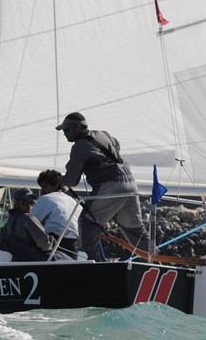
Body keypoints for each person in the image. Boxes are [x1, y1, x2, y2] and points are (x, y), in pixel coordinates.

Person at [55, 111, 150, 261]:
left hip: (110, 185)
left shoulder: (79, 146)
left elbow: (72, 180)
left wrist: (61, 181)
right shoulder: (103, 134)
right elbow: (116, 144)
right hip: (131, 183)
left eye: (67, 130)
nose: (65, 133)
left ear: (78, 127)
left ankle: (96, 264)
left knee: (86, 222)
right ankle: (154, 259)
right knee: (133, 227)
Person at [0, 188, 58, 262]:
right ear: (16, 203)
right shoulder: (28, 218)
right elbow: (45, 244)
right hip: (35, 263)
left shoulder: (9, 221)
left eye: (32, 203)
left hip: (17, 263)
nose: (29, 206)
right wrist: (54, 242)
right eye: (24, 202)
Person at [32, 169, 80, 255]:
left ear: (54, 185)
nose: (42, 190)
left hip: (55, 243)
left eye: (45, 187)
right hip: (74, 244)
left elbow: (32, 221)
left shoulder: (46, 199)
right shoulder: (73, 201)